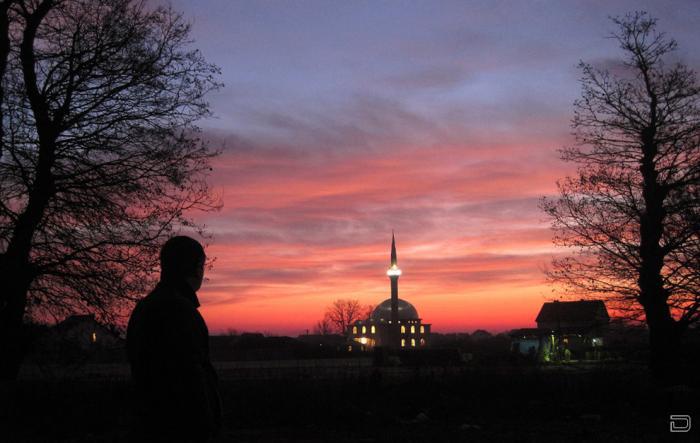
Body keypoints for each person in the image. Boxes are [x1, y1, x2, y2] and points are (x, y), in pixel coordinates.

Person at [127, 236, 221, 442]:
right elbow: (192, 379)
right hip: (179, 428)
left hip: (149, 424)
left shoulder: (144, 308)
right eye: (202, 266)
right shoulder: (182, 311)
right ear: (197, 268)